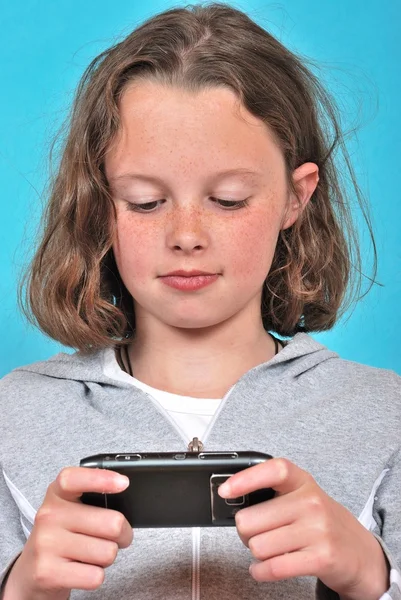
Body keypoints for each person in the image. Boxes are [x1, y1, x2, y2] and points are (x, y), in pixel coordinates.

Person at [0, 2, 400, 599]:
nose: (186, 234)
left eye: (230, 199)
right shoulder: (11, 420)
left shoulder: (387, 418)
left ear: (296, 198)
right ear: (99, 203)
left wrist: (374, 576)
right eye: (144, 201)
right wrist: (19, 589)